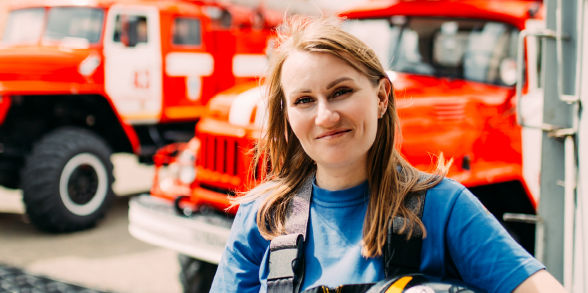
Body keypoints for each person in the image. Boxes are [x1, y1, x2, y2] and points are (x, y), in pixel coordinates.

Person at [209, 17, 565, 293]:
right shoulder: (262, 219)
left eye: (341, 91)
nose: (325, 116)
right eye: (304, 100)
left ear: (381, 97)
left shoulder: (443, 208)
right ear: (288, 116)